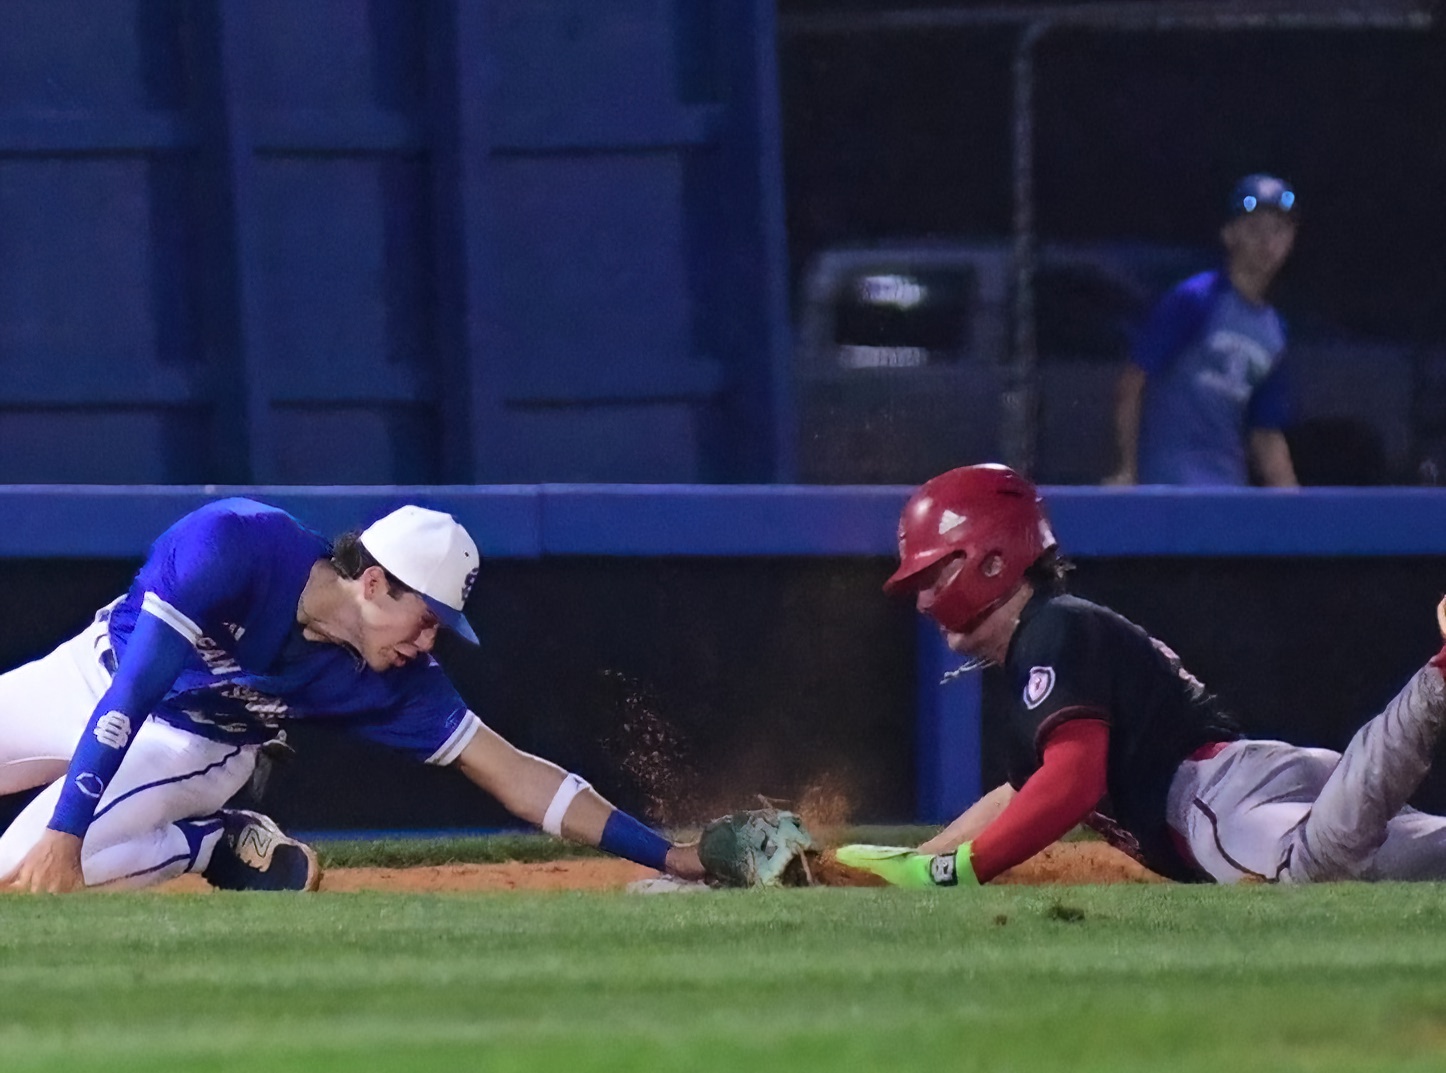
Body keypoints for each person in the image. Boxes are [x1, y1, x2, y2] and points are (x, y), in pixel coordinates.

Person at [0, 498, 707, 893]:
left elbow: (517, 774)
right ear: (373, 584)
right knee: (59, 841)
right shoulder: (233, 545)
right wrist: (67, 829)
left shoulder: (395, 678)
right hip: (97, 675)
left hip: (193, 744)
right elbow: (130, 693)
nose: (427, 642)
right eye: (425, 618)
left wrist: (669, 856)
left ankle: (210, 842)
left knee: (18, 873)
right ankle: (180, 839)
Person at [838, 463, 1446, 887]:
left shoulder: (1052, 628)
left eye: (934, 575)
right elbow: (1027, 792)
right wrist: (915, 863)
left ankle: (1437, 677)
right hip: (1248, 781)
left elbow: (1072, 782)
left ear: (992, 561)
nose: (924, 601)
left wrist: (953, 872)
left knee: (1310, 871)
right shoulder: (1054, 631)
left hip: (1214, 800)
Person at [1105, 174, 1301, 487]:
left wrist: (1294, 503)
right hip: (1167, 486)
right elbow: (1132, 383)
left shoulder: (1274, 332)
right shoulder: (1195, 299)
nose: (1267, 242)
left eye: (1278, 230)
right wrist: (1127, 469)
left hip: (1226, 490)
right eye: (1254, 229)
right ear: (1229, 234)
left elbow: (1266, 433)